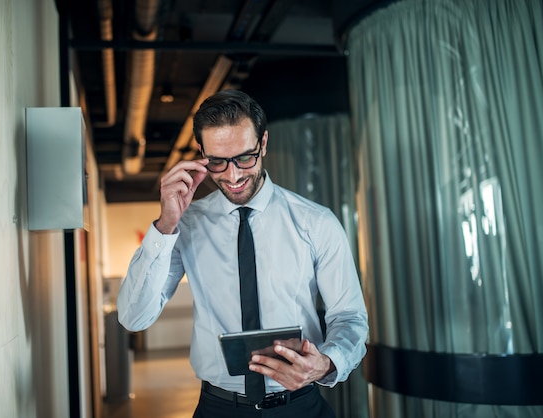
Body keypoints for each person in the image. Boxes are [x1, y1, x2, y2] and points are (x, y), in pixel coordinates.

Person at [117, 90, 368, 417]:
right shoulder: (186, 225)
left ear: (263, 143)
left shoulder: (316, 222)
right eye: (217, 162)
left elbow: (349, 317)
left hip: (300, 406)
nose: (232, 176)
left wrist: (327, 363)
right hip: (218, 407)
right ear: (201, 152)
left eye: (244, 158)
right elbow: (134, 317)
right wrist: (164, 226)